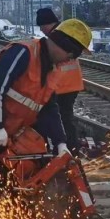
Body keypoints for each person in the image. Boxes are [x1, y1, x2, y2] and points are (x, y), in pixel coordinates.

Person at [0, 19, 92, 195]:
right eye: (73, 54)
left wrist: (60, 142)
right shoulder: (23, 52)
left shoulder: (51, 69)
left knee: (30, 167)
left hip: (10, 127)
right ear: (62, 46)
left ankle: (17, 208)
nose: (71, 59)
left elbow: (49, 108)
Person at [36, 8, 85, 155]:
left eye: (41, 27)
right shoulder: (65, 32)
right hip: (72, 83)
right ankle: (70, 149)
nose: (41, 30)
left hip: (61, 85)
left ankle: (67, 151)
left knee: (59, 118)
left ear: (45, 25)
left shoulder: (55, 37)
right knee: (66, 117)